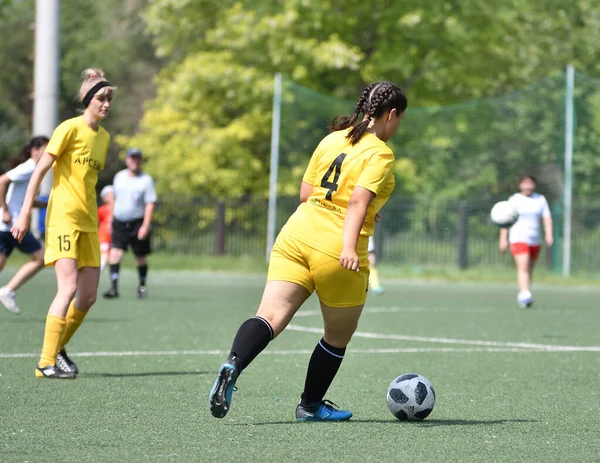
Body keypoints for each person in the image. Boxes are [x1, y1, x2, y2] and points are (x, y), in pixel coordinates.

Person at [208, 81, 407, 421]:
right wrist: (348, 246)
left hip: (296, 236)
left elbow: (306, 193)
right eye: (400, 118)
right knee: (337, 336)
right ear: (391, 115)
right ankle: (309, 406)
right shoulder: (381, 152)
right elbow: (358, 200)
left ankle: (234, 363)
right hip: (335, 250)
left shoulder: (333, 138)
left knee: (269, 316)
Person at [11, 68, 114, 378]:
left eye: (110, 99)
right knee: (67, 288)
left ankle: (55, 351)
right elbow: (40, 171)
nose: (107, 104)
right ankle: (45, 363)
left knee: (88, 296)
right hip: (64, 219)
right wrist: (25, 212)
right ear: (87, 100)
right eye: (101, 98)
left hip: (88, 222)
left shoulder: (104, 138)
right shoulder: (69, 128)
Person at [0, 136, 49, 314]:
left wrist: (44, 204)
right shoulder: (29, 167)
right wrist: (4, 210)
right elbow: (1, 181)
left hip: (8, 225)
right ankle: (7, 290)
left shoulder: (34, 169)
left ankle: (8, 291)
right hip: (12, 223)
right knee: (41, 258)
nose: (49, 151)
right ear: (34, 151)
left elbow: (23, 199)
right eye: (46, 148)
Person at [103, 148, 156, 300]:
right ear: (127, 160)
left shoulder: (146, 180)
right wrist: (111, 218)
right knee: (115, 254)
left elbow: (150, 203)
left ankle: (142, 286)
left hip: (137, 223)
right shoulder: (119, 177)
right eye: (132, 158)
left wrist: (145, 225)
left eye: (137, 158)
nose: (134, 161)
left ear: (141, 160)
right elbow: (113, 198)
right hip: (120, 222)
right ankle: (113, 288)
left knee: (140, 256)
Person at [499, 174, 553, 308]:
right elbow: (505, 219)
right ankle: (525, 294)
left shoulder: (540, 199)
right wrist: (503, 238)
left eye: (530, 183)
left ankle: (525, 292)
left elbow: (546, 218)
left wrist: (549, 234)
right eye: (525, 183)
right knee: (523, 267)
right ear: (520, 185)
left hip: (534, 239)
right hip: (518, 237)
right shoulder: (514, 200)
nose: (528, 186)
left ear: (534, 185)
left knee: (529, 269)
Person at [98, 185, 114, 272]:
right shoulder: (101, 210)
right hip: (104, 237)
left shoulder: (117, 209)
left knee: (113, 257)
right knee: (104, 256)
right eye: (109, 195)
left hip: (114, 237)